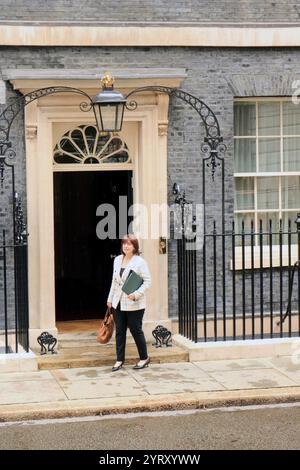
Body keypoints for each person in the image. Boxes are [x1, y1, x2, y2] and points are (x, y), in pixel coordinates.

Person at [107, 234, 151, 372]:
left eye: (129, 244)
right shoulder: (118, 260)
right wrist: (110, 299)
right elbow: (114, 281)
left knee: (135, 330)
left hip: (134, 303)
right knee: (119, 331)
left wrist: (136, 294)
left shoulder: (140, 262)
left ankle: (144, 358)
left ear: (135, 246)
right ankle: (119, 360)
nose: (126, 246)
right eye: (124, 243)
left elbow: (148, 281)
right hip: (117, 302)